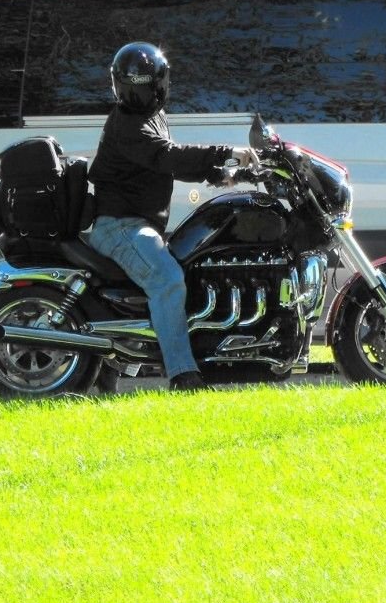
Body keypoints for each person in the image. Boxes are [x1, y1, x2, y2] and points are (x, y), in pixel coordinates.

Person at [84, 42, 259, 391]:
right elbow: (167, 156)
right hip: (120, 226)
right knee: (166, 280)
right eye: (135, 84)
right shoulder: (127, 124)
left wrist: (223, 175)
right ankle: (183, 375)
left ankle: (114, 365)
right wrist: (226, 153)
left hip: (137, 225)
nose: (140, 91)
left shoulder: (150, 118)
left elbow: (164, 164)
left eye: (145, 85)